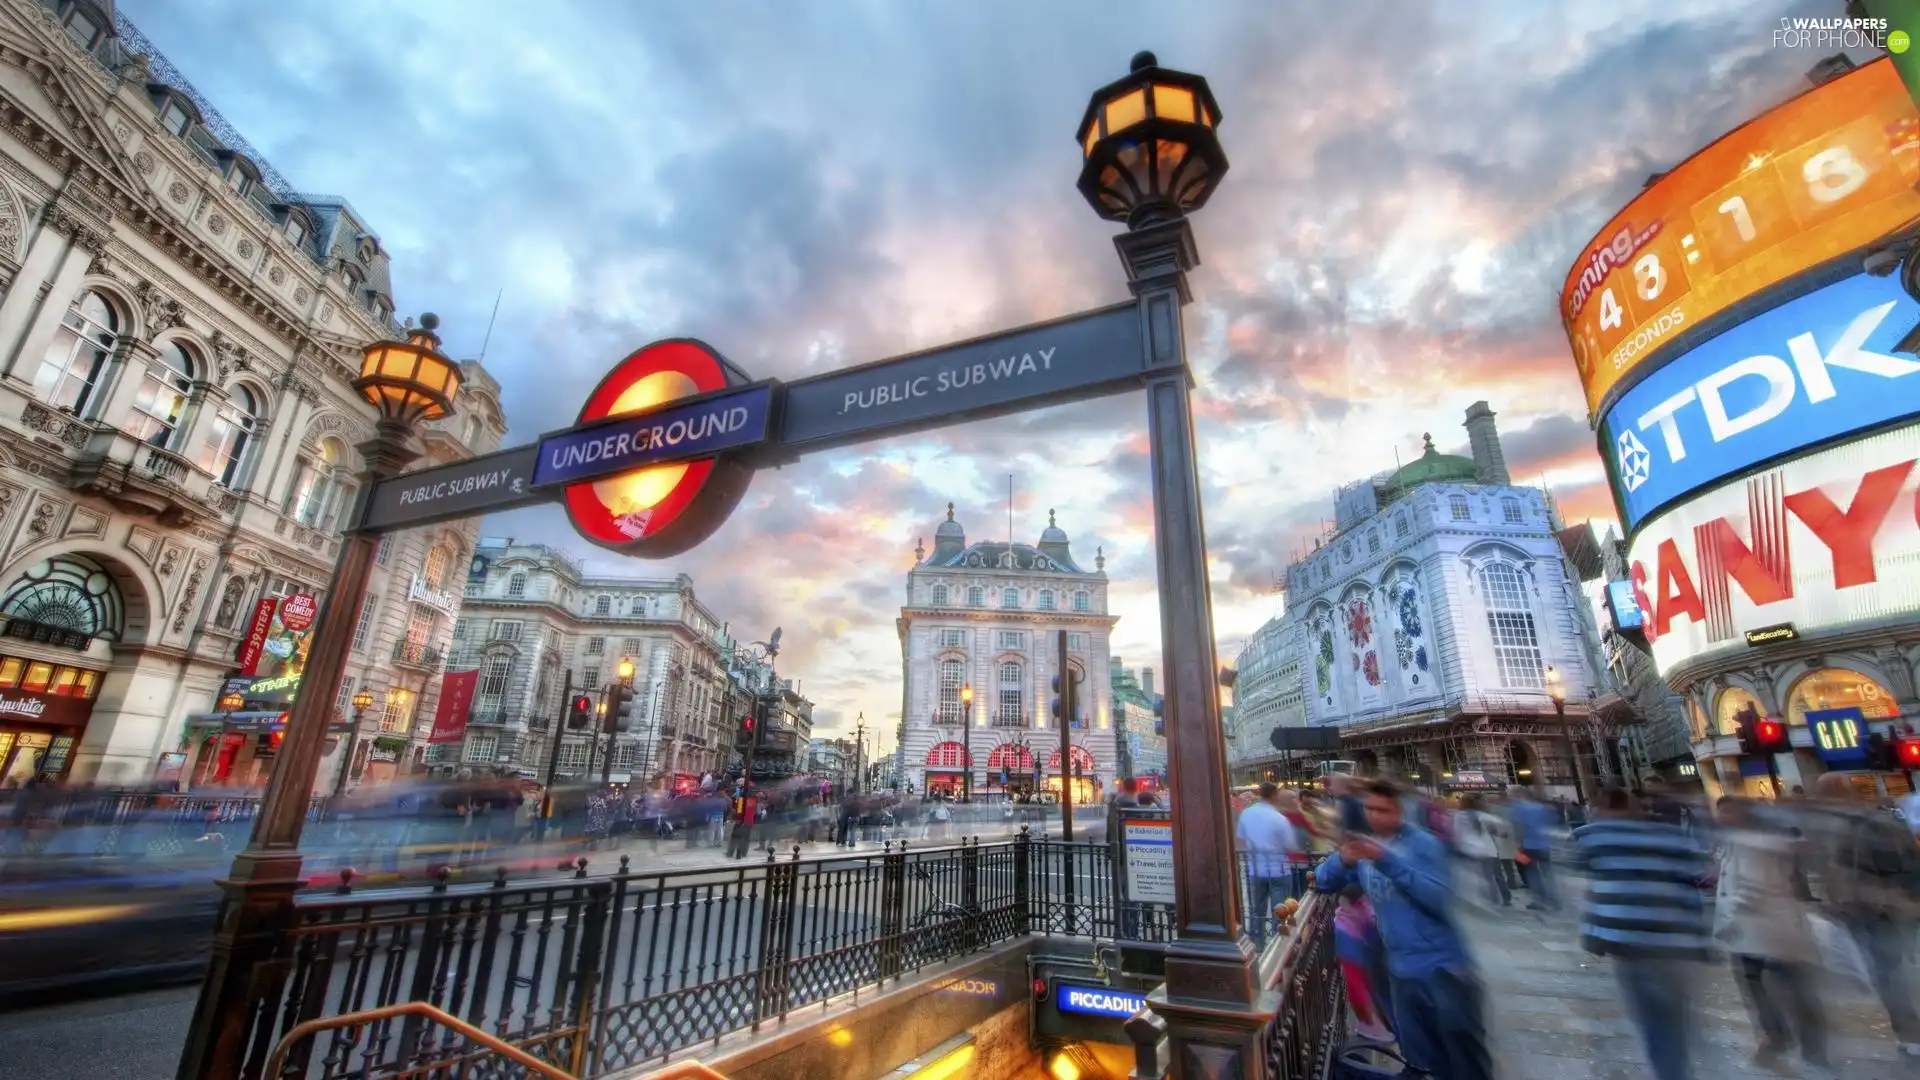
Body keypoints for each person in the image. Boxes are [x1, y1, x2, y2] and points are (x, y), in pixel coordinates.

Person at [1316, 779, 1491, 1080]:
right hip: (1400, 969)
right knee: (1419, 1058)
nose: (1374, 816)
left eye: (1382, 810)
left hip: (1444, 968)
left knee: (1463, 1056)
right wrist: (1341, 859)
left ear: (1399, 811)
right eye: (1369, 809)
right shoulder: (1367, 848)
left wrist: (1386, 861)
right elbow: (1322, 881)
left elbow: (1438, 898)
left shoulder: (1425, 845)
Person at [1574, 785, 1710, 1080]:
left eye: (1598, 809)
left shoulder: (1593, 836)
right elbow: (1695, 881)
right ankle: (1678, 1065)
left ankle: (1671, 1071)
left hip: (1631, 943)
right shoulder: (1671, 836)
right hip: (1676, 940)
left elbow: (1581, 862)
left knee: (1654, 1020)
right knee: (1672, 1018)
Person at [1807, 773, 1920, 1058]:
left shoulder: (1871, 823)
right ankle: (1908, 1031)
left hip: (1882, 909)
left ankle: (1910, 1032)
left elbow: (1900, 867)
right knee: (1887, 971)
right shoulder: (1835, 825)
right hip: (1864, 909)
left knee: (1891, 971)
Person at [1712, 796, 1826, 1071]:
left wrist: (1729, 922)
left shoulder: (1751, 843)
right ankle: (1789, 1040)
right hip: (1764, 929)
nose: (1721, 818)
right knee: (1774, 986)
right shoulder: (1745, 840)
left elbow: (1752, 887)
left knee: (1779, 986)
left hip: (1757, 928)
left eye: (1727, 812)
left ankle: (1794, 1043)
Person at [1235, 782, 1301, 934]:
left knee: (1256, 912)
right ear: (1274, 795)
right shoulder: (1279, 818)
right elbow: (1291, 845)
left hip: (1255, 869)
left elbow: (1240, 838)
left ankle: (1257, 943)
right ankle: (1277, 944)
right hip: (1279, 870)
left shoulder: (1247, 813)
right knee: (1280, 911)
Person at [1333, 883, 1394, 1043]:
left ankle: (1370, 1023)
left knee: (1360, 982)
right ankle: (1369, 1024)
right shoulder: (1364, 902)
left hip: (1351, 936)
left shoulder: (1356, 900)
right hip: (1351, 938)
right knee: (1357, 983)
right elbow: (1372, 918)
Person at [1507, 786, 1562, 912]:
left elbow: (1518, 826)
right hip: (1543, 844)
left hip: (1528, 845)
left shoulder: (1517, 808)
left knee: (1533, 874)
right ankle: (1554, 900)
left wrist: (1517, 844)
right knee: (1548, 873)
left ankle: (1539, 901)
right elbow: (1551, 823)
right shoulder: (1541, 807)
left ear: (1519, 795)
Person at [1454, 794, 1511, 908]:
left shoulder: (1457, 816)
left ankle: (1487, 900)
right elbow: (1501, 824)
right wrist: (1499, 833)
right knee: (1494, 876)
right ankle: (1501, 899)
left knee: (1480, 877)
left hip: (1468, 850)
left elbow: (1456, 832)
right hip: (1488, 849)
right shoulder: (1481, 815)